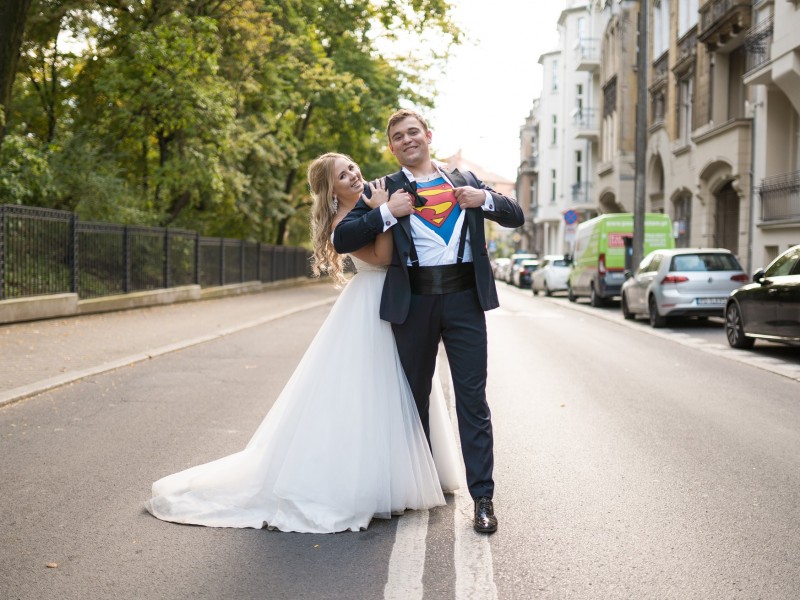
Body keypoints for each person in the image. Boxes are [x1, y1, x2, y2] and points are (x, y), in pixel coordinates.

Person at [145, 152, 461, 533]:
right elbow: (381, 255)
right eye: (343, 175)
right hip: (371, 305)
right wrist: (387, 213)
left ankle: (408, 470)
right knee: (371, 394)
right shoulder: (346, 221)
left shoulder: (370, 201)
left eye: (352, 167)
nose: (353, 175)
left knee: (403, 390)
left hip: (398, 303)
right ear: (331, 191)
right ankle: (373, 482)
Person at [333, 110, 525, 533]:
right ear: (391, 147)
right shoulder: (383, 187)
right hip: (414, 303)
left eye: (413, 132)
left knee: (473, 401)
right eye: (397, 136)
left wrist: (485, 200)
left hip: (463, 301)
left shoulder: (465, 180)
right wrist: (385, 212)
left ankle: (483, 500)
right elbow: (341, 237)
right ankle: (414, 493)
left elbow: (516, 215)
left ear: (428, 136)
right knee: (412, 401)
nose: (407, 140)